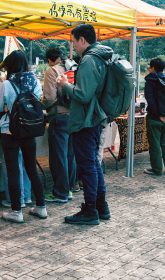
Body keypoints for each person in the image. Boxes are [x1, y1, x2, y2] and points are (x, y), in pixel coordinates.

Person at [58, 24, 111, 225]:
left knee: (88, 166)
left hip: (86, 120)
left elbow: (83, 94)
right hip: (95, 118)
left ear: (82, 40)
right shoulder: (101, 57)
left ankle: (90, 210)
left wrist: (65, 85)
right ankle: (101, 207)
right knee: (93, 164)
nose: (74, 47)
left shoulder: (89, 60)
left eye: (74, 42)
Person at [0, 50, 47, 223]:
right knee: (31, 169)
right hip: (29, 130)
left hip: (10, 131)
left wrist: (8, 106)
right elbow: (38, 101)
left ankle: (16, 211)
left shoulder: (7, 84)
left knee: (13, 171)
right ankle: (41, 207)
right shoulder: (35, 82)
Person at [42, 48, 75, 204]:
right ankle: (69, 188)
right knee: (70, 154)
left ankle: (60, 193)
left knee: (58, 156)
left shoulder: (52, 71)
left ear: (50, 60)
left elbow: (49, 98)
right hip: (73, 116)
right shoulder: (73, 67)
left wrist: (40, 103)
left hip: (59, 116)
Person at [144, 58, 165, 176]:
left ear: (152, 68)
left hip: (154, 118)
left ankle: (157, 170)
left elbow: (150, 100)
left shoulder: (150, 81)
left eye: (149, 67)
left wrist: (158, 116)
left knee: (154, 145)